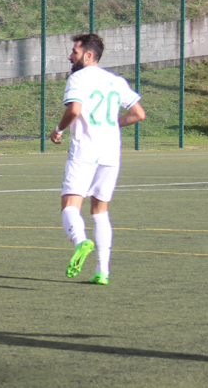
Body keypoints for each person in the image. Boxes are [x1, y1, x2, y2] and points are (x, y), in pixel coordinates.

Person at [49, 33, 144, 286]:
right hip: (111, 152)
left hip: (85, 150)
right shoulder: (116, 81)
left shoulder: (78, 77)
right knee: (100, 212)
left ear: (88, 55)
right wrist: (115, 123)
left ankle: (80, 242)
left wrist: (58, 129)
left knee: (70, 205)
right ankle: (103, 271)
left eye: (75, 52)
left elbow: (75, 110)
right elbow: (138, 113)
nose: (71, 56)